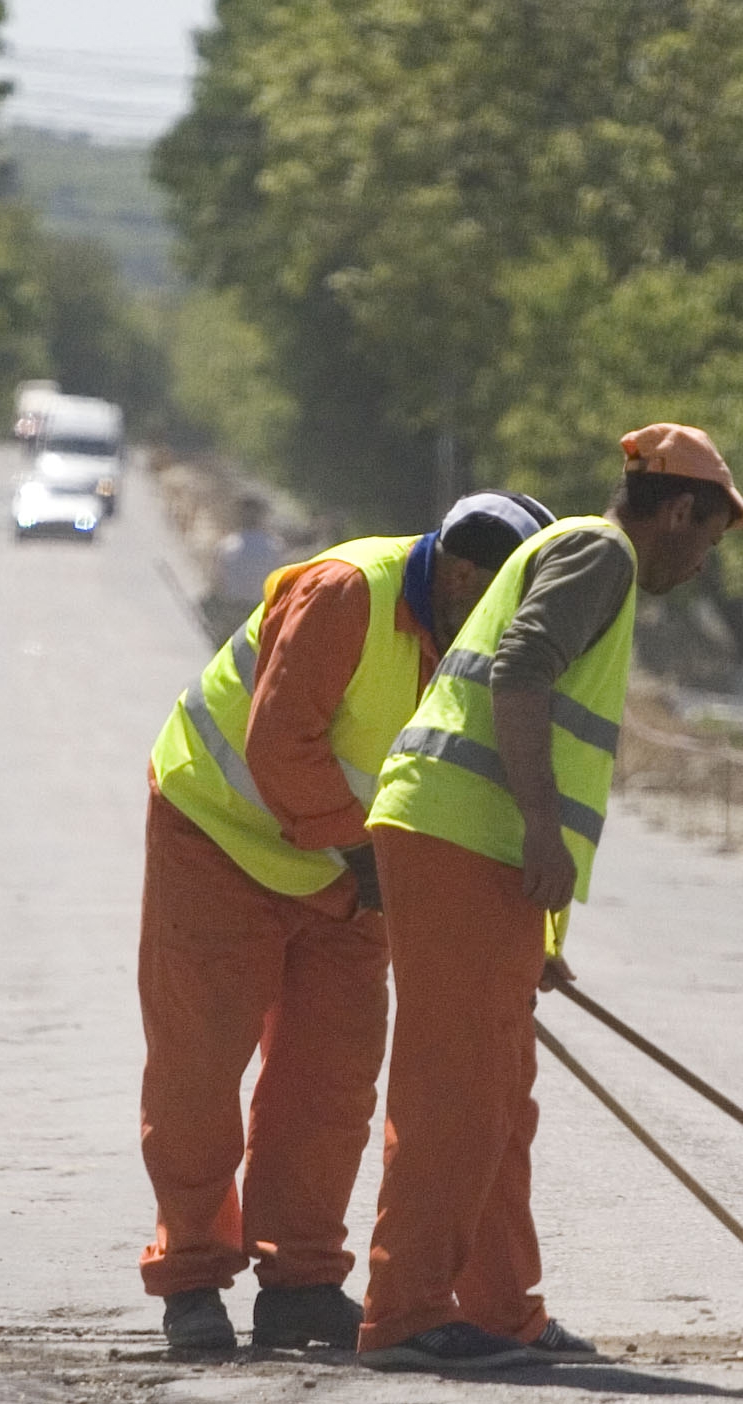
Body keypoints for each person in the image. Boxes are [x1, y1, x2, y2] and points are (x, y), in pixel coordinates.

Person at [354, 425, 743, 1371]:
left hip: (470, 847)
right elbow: (522, 668)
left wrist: (535, 927)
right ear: (677, 510)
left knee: (496, 1092)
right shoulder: (598, 551)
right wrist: (539, 828)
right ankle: (407, 1311)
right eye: (708, 538)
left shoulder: (585, 552)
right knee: (455, 1086)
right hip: (466, 836)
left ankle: (500, 1310)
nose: (704, 562)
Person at [140, 491, 559, 1352]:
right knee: (200, 1069)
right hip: (220, 841)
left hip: (346, 870)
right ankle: (191, 1278)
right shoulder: (345, 592)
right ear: (463, 574)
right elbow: (279, 744)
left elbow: (496, 801)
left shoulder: (484, 643)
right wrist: (369, 861)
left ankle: (298, 1281)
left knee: (328, 1085)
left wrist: (529, 938)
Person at [211, 497, 284, 616]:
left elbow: (217, 581)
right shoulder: (275, 547)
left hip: (231, 609)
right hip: (259, 610)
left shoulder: (227, 545)